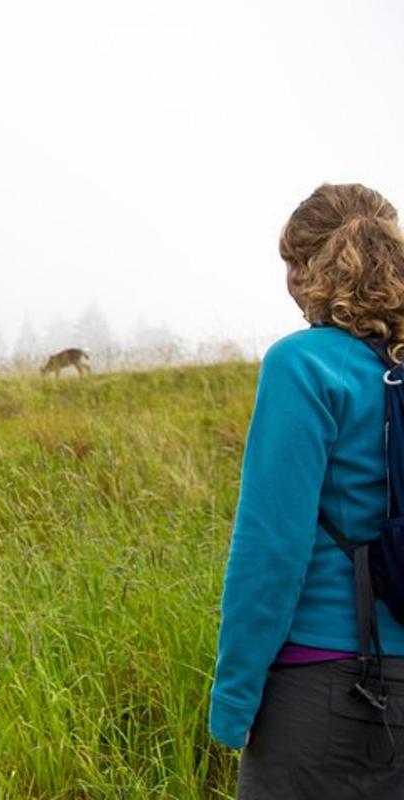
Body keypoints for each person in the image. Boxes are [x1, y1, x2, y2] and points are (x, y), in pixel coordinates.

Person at [210, 183, 404, 798]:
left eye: (292, 264)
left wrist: (234, 701)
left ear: (314, 267)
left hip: (324, 687)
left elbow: (271, 552)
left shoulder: (304, 365)